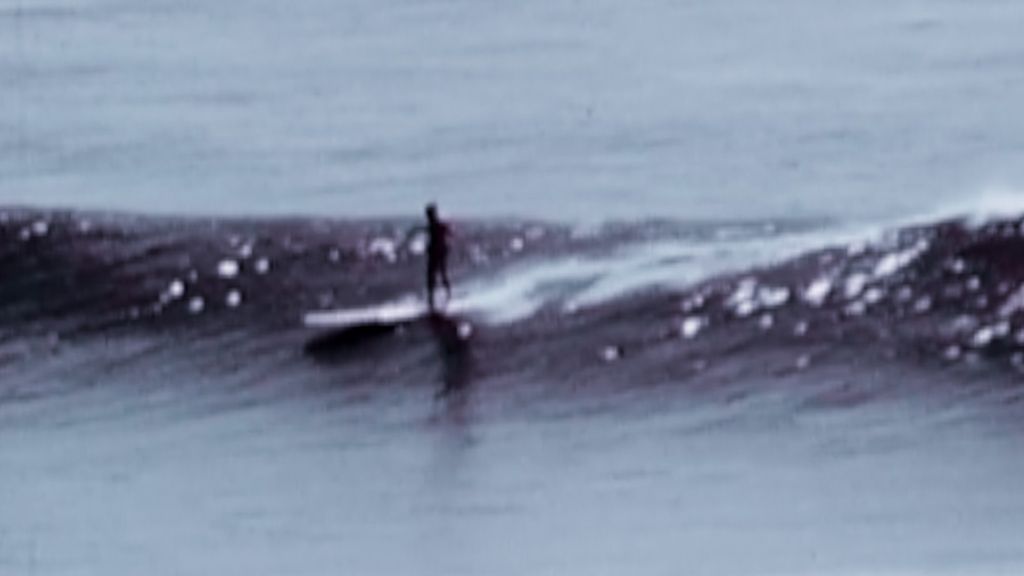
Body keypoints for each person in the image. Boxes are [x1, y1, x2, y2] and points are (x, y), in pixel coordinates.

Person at [421, 203, 453, 310]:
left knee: (442, 274)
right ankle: (431, 302)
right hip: (434, 253)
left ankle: (449, 296)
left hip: (440, 252)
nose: (428, 217)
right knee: (431, 277)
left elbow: (448, 232)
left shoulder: (439, 225)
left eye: (429, 214)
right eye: (428, 215)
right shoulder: (432, 225)